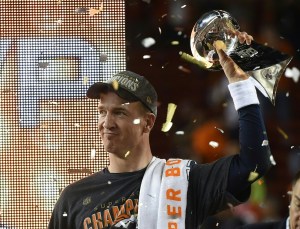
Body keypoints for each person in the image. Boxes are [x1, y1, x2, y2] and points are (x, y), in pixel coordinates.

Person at [48, 32, 273, 229]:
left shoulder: (186, 181)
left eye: (119, 113)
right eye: (102, 111)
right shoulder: (74, 198)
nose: (107, 122)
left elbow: (254, 164)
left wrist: (240, 84)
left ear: (148, 123)